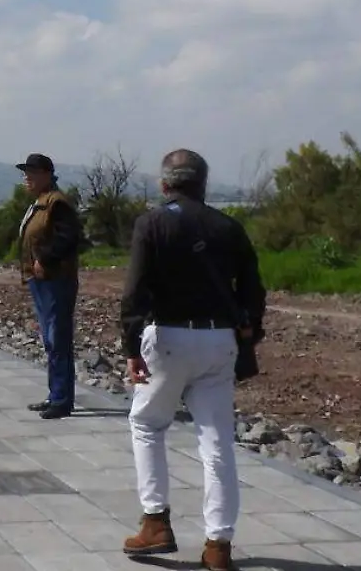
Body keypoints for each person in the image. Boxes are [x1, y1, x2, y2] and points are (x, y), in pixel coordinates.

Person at [120, 150, 266, 571]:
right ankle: (218, 546)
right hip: (219, 341)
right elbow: (254, 290)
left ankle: (155, 522)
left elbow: (135, 292)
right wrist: (248, 333)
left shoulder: (152, 223)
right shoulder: (229, 227)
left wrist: (131, 347)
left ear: (164, 183)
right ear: (202, 183)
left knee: (147, 424)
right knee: (216, 443)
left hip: (167, 336)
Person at [16, 153, 82, 420]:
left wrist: (46, 258)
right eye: (25, 172)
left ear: (46, 174)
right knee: (50, 339)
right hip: (41, 281)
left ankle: (62, 399)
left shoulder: (57, 203)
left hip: (56, 280)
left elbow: (70, 237)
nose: (26, 177)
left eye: (31, 172)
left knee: (58, 339)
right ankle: (55, 394)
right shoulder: (40, 202)